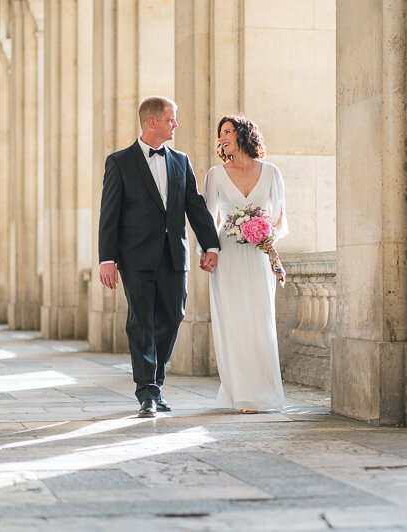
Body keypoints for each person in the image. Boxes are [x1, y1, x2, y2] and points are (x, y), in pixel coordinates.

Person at [98, 96, 220, 418]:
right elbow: (109, 214)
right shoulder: (119, 162)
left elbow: (194, 206)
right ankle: (148, 392)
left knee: (173, 316)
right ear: (152, 122)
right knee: (141, 324)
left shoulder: (181, 161)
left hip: (173, 256)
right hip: (135, 258)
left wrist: (212, 245)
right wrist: (106, 258)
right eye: (171, 119)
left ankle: (155, 383)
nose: (175, 124)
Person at [201, 116, 287, 413]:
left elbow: (279, 218)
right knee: (235, 322)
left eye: (228, 132)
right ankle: (243, 393)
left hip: (258, 254)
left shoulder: (272, 172)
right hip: (229, 255)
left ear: (243, 135)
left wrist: (266, 236)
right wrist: (208, 250)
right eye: (220, 133)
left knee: (260, 321)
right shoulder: (215, 174)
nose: (222, 138)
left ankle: (263, 391)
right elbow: (206, 218)